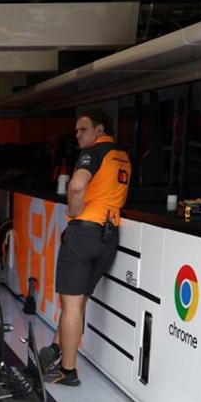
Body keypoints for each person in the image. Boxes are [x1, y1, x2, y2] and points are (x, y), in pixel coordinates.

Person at [40, 109, 132, 387]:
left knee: (70, 304)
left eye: (83, 129)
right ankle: (56, 348)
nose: (77, 135)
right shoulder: (123, 157)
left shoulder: (94, 153)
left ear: (99, 130)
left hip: (84, 233)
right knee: (79, 302)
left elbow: (77, 185)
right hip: (109, 237)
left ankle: (68, 371)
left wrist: (73, 211)